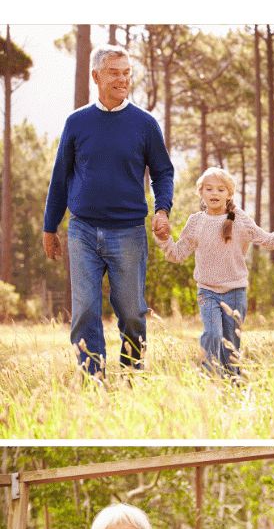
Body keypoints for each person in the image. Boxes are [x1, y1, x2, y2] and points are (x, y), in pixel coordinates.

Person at [42, 44, 175, 374]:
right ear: (96, 76)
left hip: (128, 231)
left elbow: (162, 171)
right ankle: (93, 379)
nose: (122, 79)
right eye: (114, 72)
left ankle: (132, 374)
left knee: (131, 311)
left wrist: (162, 209)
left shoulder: (144, 124)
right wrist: (49, 227)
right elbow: (60, 177)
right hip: (82, 230)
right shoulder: (77, 122)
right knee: (85, 310)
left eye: (127, 72)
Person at [155, 167, 274, 376]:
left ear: (229, 194)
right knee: (213, 335)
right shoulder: (196, 222)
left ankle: (232, 385)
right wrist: (164, 238)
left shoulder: (239, 219)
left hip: (235, 291)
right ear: (201, 192)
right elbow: (177, 254)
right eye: (209, 189)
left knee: (231, 346)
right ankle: (210, 378)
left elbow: (267, 241)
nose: (215, 194)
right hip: (207, 291)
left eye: (221, 189)